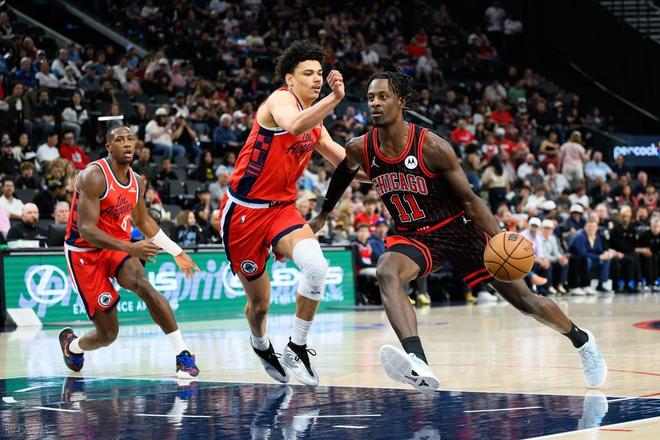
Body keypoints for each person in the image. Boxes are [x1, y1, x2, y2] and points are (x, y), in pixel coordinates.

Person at [309, 71, 607, 392]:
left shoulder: (432, 147)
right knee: (387, 271)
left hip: (459, 230)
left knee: (526, 302)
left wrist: (498, 236)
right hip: (414, 236)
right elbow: (343, 174)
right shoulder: (360, 147)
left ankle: (581, 340)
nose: (375, 103)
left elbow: (469, 199)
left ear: (402, 101)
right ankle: (418, 362)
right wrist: (323, 213)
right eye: (371, 98)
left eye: (383, 97)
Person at [219, 40, 350, 386]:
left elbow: (344, 162)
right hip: (244, 213)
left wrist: (388, 171)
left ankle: (297, 346)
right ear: (290, 79)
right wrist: (335, 99)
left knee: (316, 267)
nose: (317, 79)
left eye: (320, 73)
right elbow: (293, 126)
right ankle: (260, 344)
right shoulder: (280, 101)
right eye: (308, 73)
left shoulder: (316, 120)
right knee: (260, 305)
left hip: (281, 209)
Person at [59, 126, 200, 378]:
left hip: (117, 246)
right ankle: (72, 346)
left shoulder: (138, 182)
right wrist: (130, 246)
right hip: (85, 252)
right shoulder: (93, 176)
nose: (127, 144)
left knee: (144, 285)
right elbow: (87, 230)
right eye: (120, 140)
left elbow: (144, 222)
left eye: (130, 139)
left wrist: (176, 252)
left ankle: (183, 354)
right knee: (108, 334)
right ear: (108, 147)